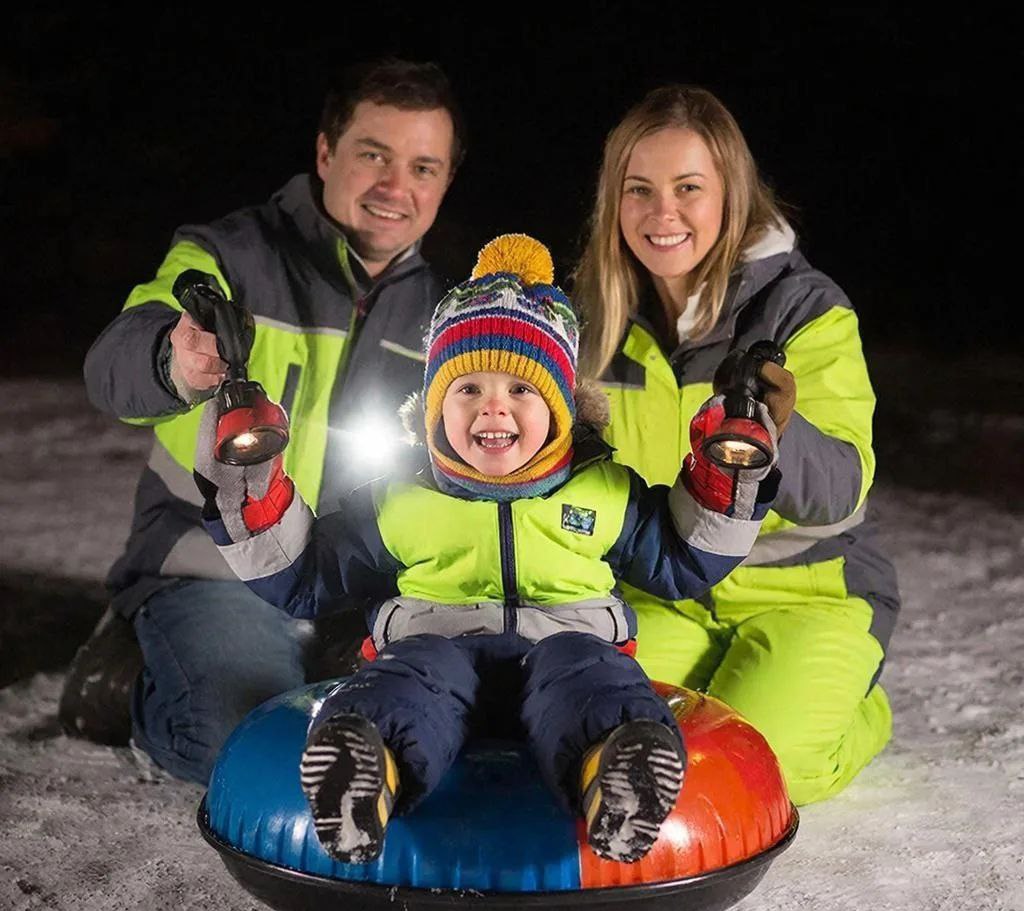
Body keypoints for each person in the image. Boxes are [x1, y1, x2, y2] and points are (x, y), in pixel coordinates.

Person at [193, 234, 792, 863]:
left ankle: (619, 773)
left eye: (522, 390)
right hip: (439, 649)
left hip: (566, 650)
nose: (492, 410)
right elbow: (302, 576)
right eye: (468, 388)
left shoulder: (604, 491)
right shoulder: (398, 499)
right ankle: (364, 769)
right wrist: (251, 479)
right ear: (433, 406)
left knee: (591, 673)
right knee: (410, 673)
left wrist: (729, 472)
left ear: (561, 407)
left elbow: (685, 558)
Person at [64, 59, 467, 784]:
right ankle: (124, 682)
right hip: (214, 569)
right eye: (374, 154)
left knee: (418, 726)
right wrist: (172, 358)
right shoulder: (227, 256)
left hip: (353, 583)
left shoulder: (447, 313)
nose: (395, 187)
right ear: (325, 153)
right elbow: (113, 365)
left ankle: (299, 661)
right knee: (244, 744)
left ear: (443, 183)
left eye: (423, 167)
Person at [572, 84, 900, 806]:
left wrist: (783, 428)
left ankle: (861, 712)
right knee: (599, 736)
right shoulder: (596, 324)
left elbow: (843, 487)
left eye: (689, 187)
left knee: (758, 773)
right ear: (613, 201)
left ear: (732, 195)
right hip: (668, 594)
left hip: (806, 593)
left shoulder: (804, 308)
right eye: (640, 189)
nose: (664, 214)